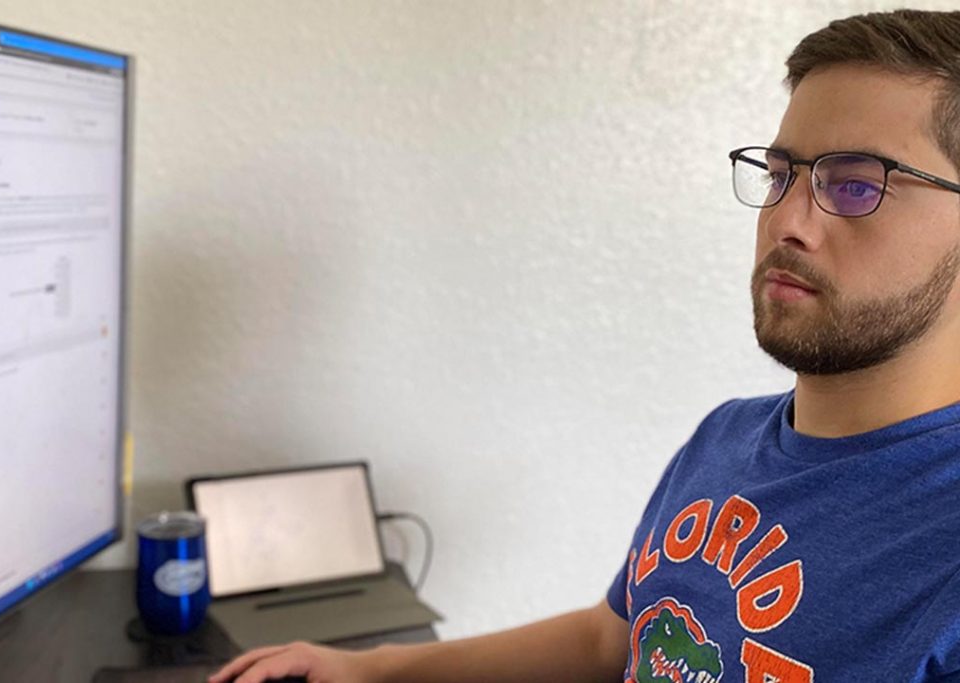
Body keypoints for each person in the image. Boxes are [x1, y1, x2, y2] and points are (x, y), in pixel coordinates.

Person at [209, 8, 960, 682]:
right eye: (778, 174)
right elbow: (613, 637)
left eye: (856, 184)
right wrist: (372, 670)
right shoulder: (725, 437)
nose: (787, 220)